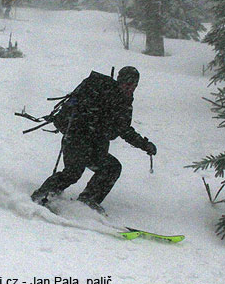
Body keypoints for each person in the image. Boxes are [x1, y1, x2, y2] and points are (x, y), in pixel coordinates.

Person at [31, 66, 157, 214]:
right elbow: (81, 113)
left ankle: (87, 201)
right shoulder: (101, 92)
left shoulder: (125, 102)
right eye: (128, 84)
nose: (131, 88)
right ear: (120, 81)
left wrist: (143, 144)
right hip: (77, 138)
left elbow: (123, 128)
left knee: (111, 167)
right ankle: (42, 195)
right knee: (73, 172)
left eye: (134, 85)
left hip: (96, 145)